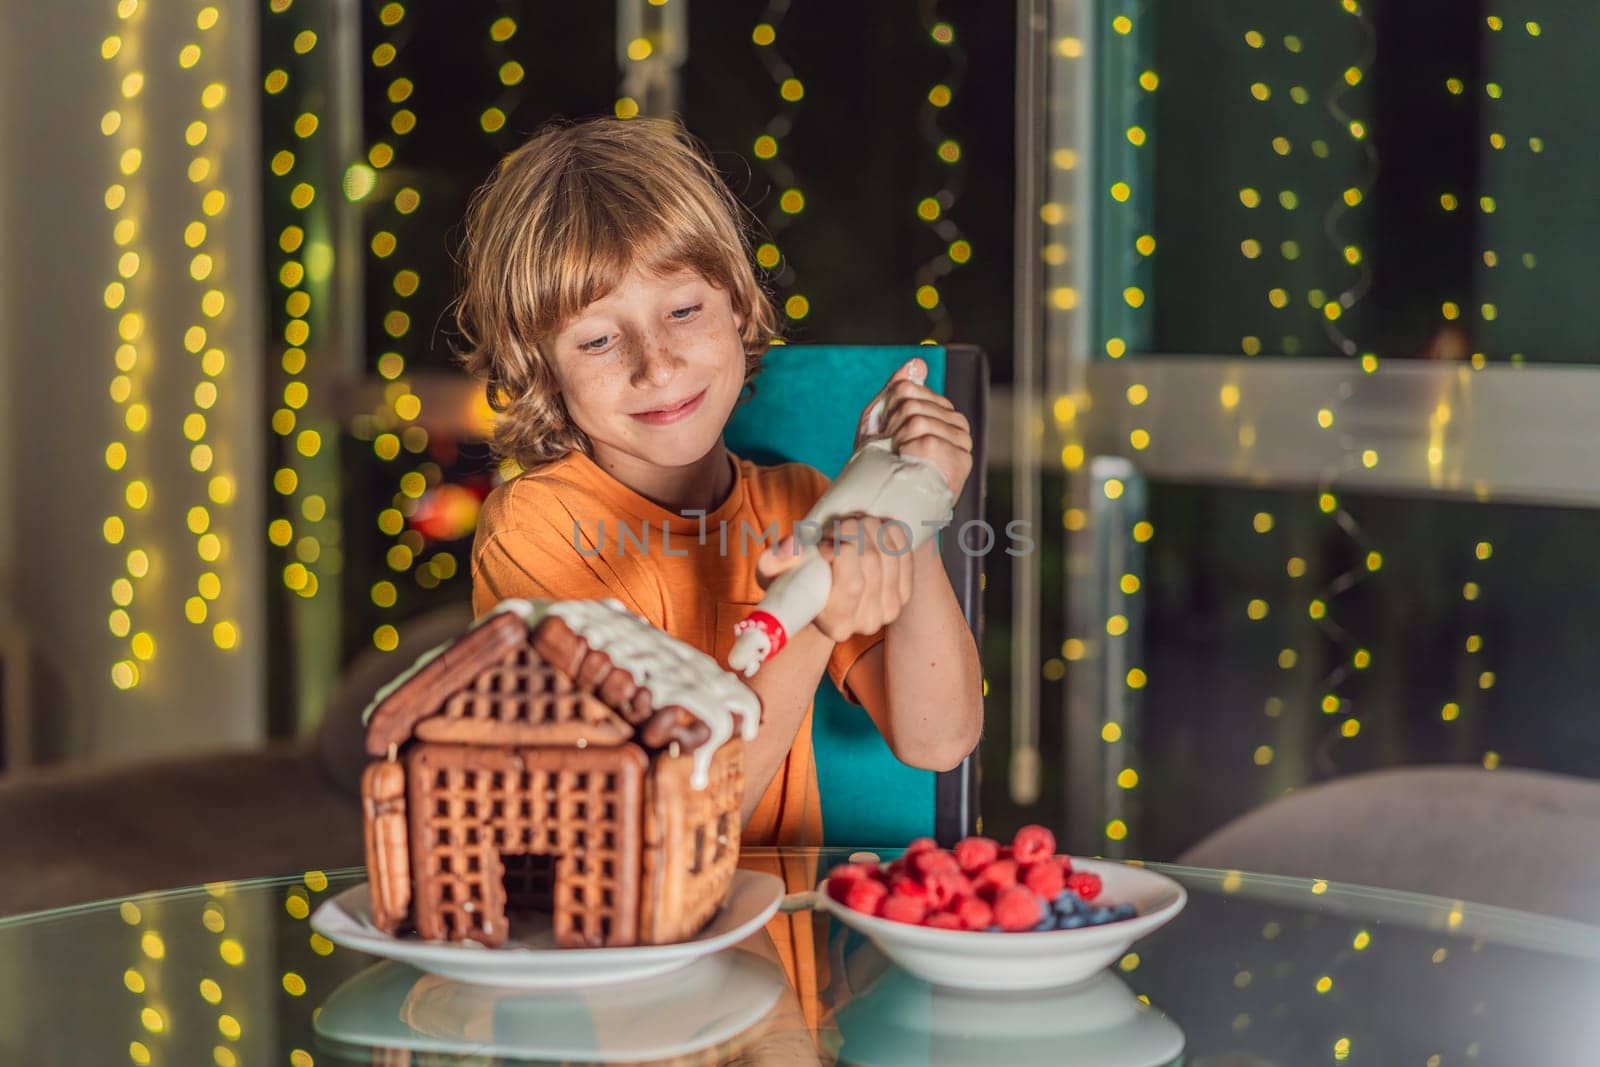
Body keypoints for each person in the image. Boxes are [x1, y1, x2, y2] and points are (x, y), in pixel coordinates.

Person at [459, 116, 983, 848]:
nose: (657, 364)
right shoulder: (534, 530)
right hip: (628, 960)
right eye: (598, 338)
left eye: (683, 310)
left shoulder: (801, 502)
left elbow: (938, 739)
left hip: (782, 957)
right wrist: (814, 615)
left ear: (738, 304)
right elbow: (661, 836)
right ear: (543, 367)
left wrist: (905, 499)